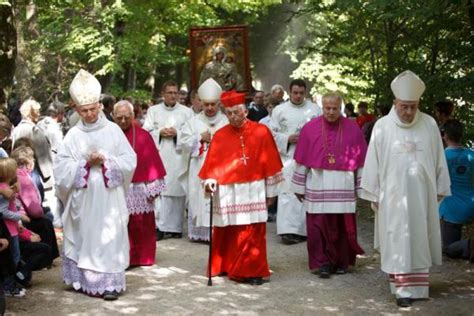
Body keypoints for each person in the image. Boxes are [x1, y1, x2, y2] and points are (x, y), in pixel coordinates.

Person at [360, 70, 451, 307]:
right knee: (398, 237)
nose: (409, 112)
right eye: (404, 106)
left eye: (413, 106)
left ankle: (419, 288)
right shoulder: (382, 126)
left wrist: (440, 187)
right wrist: (374, 192)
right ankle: (401, 289)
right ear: (395, 103)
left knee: (419, 236)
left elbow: (439, 158)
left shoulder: (430, 124)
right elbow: (373, 163)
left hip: (422, 196)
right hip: (392, 197)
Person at [54, 69, 136, 300]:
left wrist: (107, 161)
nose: (89, 114)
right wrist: (84, 163)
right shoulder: (72, 135)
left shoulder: (113, 130)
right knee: (87, 238)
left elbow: (130, 161)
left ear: (100, 105)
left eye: (93, 109)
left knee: (109, 236)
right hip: (84, 199)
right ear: (77, 109)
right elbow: (61, 168)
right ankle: (84, 280)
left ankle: (109, 285)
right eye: (84, 110)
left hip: (109, 200)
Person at [199, 90, 284, 285]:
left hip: (254, 189)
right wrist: (210, 182)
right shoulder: (220, 135)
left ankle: (250, 271)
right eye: (228, 113)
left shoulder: (261, 132)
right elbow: (211, 166)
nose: (233, 117)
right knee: (229, 230)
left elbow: (269, 162)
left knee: (252, 230)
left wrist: (271, 193)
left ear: (245, 111)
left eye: (236, 112)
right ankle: (226, 265)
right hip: (229, 191)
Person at [291, 92, 366, 278]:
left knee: (342, 227)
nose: (331, 112)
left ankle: (341, 262)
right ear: (322, 107)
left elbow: (361, 162)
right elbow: (301, 161)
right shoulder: (310, 129)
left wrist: (360, 188)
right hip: (318, 185)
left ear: (340, 107)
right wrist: (299, 187)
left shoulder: (353, 128)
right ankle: (322, 263)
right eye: (327, 108)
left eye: (335, 108)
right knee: (318, 226)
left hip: (344, 185)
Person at [113, 100, 166, 267]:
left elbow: (152, 162)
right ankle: (123, 258)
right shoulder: (109, 134)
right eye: (119, 117)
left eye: (126, 117)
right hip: (117, 187)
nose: (123, 121)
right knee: (120, 224)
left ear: (133, 116)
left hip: (138, 188)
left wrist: (153, 187)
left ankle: (142, 257)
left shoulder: (143, 135)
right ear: (113, 117)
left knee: (140, 223)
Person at [271, 79, 322, 245]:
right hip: (288, 157)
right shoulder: (279, 110)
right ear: (289, 92)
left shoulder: (315, 110)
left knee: (306, 192)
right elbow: (270, 133)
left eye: (301, 93)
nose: (298, 96)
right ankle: (288, 230)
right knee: (287, 192)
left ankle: (305, 230)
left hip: (309, 157)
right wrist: (287, 138)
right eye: (295, 93)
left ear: (305, 92)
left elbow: (323, 132)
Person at [143, 81, 193, 240]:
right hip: (160, 156)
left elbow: (191, 133)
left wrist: (177, 133)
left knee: (176, 191)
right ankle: (160, 227)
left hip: (178, 157)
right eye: (169, 92)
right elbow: (146, 132)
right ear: (163, 94)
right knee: (161, 193)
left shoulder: (187, 112)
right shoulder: (153, 111)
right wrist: (159, 132)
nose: (173, 95)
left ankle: (176, 227)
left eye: (175, 92)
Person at [180, 78, 228, 242]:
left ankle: (219, 231)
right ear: (201, 103)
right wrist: (199, 138)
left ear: (219, 103)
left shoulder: (226, 122)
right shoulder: (193, 122)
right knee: (199, 197)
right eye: (206, 104)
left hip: (221, 168)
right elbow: (183, 143)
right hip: (199, 167)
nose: (209, 108)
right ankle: (200, 233)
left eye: (213, 104)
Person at [438, 119, 474, 257]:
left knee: (448, 248)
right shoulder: (471, 155)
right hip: (471, 203)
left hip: (451, 209)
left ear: (445, 136)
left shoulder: (441, 157)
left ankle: (470, 244)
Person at [11, 99, 54, 190]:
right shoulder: (33, 130)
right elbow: (42, 154)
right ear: (31, 113)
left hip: (19, 171)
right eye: (37, 112)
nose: (39, 114)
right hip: (34, 171)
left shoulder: (16, 129)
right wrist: (48, 174)